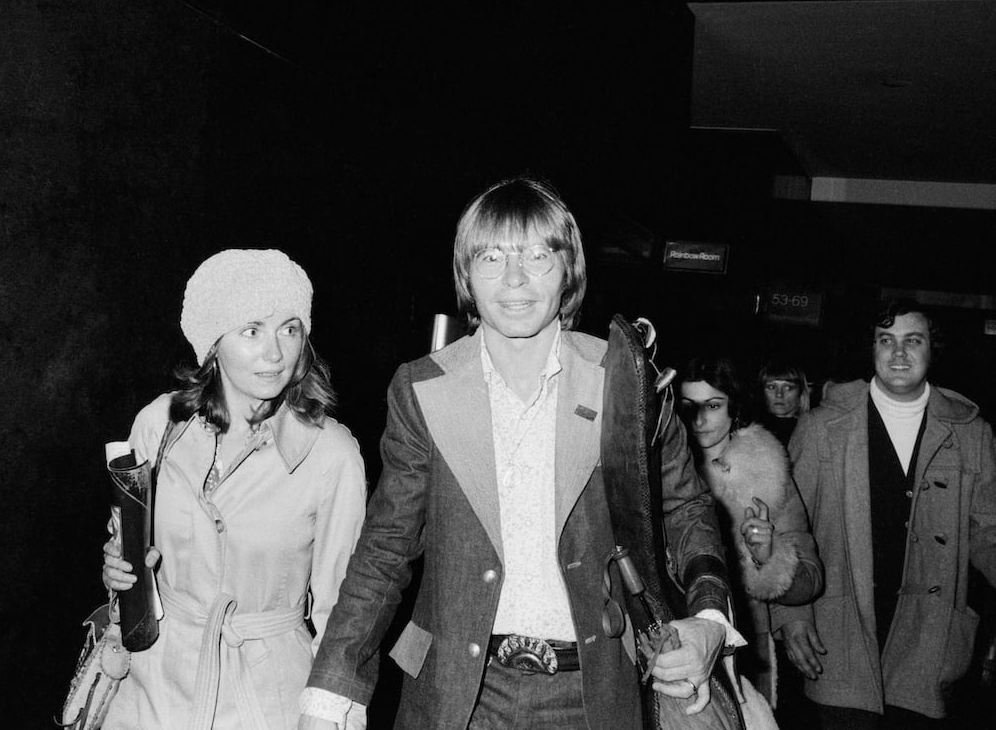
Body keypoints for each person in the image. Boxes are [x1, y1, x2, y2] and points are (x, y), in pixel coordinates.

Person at [299, 175, 741, 730]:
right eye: (491, 257)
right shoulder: (421, 388)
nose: (514, 278)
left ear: (569, 270)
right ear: (466, 275)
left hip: (594, 689)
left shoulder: (623, 381)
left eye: (537, 254)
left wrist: (708, 618)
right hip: (455, 695)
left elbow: (686, 509)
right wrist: (331, 692)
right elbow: (385, 549)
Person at [100, 249, 368, 730]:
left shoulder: (332, 455)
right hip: (153, 689)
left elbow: (344, 616)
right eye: (251, 330)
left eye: (290, 329)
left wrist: (329, 715)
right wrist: (118, 572)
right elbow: (128, 550)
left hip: (269, 699)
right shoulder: (158, 426)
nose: (275, 353)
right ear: (212, 344)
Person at [771, 299, 996, 729]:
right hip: (839, 634)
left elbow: (989, 532)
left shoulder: (972, 434)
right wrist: (792, 615)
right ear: (871, 348)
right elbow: (787, 528)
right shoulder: (822, 427)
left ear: (933, 349)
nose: (898, 353)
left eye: (913, 341)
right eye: (886, 340)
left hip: (929, 640)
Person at [679, 356, 823, 718]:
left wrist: (767, 555)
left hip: (739, 650)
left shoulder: (767, 469)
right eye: (688, 407)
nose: (699, 420)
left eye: (713, 406)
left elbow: (810, 579)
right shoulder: (658, 467)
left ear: (734, 408)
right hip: (671, 643)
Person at [756, 360, 812, 447]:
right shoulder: (751, 433)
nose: (779, 394)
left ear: (800, 392)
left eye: (788, 387)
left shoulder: (812, 430)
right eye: (771, 387)